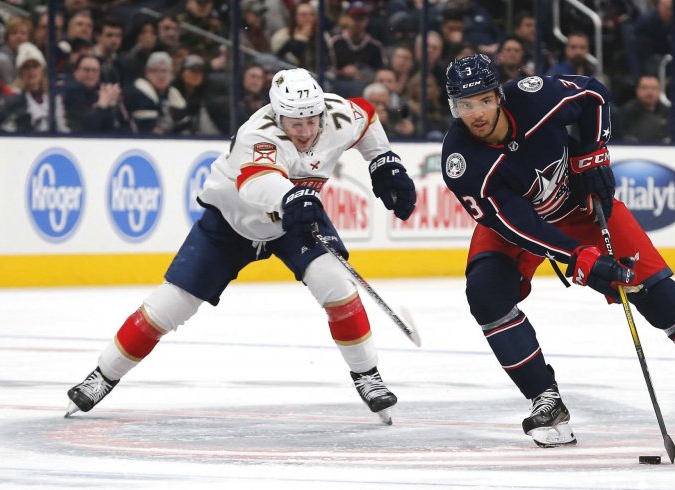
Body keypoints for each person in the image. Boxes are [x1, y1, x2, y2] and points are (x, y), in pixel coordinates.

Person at [439, 54, 675, 448]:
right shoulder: (461, 161)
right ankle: (546, 400)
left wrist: (592, 154)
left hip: (585, 208)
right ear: (453, 107)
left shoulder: (535, 96)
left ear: (499, 96)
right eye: (464, 105)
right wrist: (579, 257)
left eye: (483, 100)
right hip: (521, 228)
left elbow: (594, 94)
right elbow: (519, 226)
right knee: (485, 294)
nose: (476, 113)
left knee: (663, 299)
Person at [65, 68, 417, 425]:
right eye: (295, 123)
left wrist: (384, 161)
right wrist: (291, 195)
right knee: (168, 307)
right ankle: (103, 375)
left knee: (337, 285)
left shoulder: (337, 114)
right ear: (277, 115)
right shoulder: (258, 134)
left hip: (293, 221)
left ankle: (367, 375)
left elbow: (366, 114)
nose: (306, 131)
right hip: (231, 224)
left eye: (312, 120)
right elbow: (254, 185)